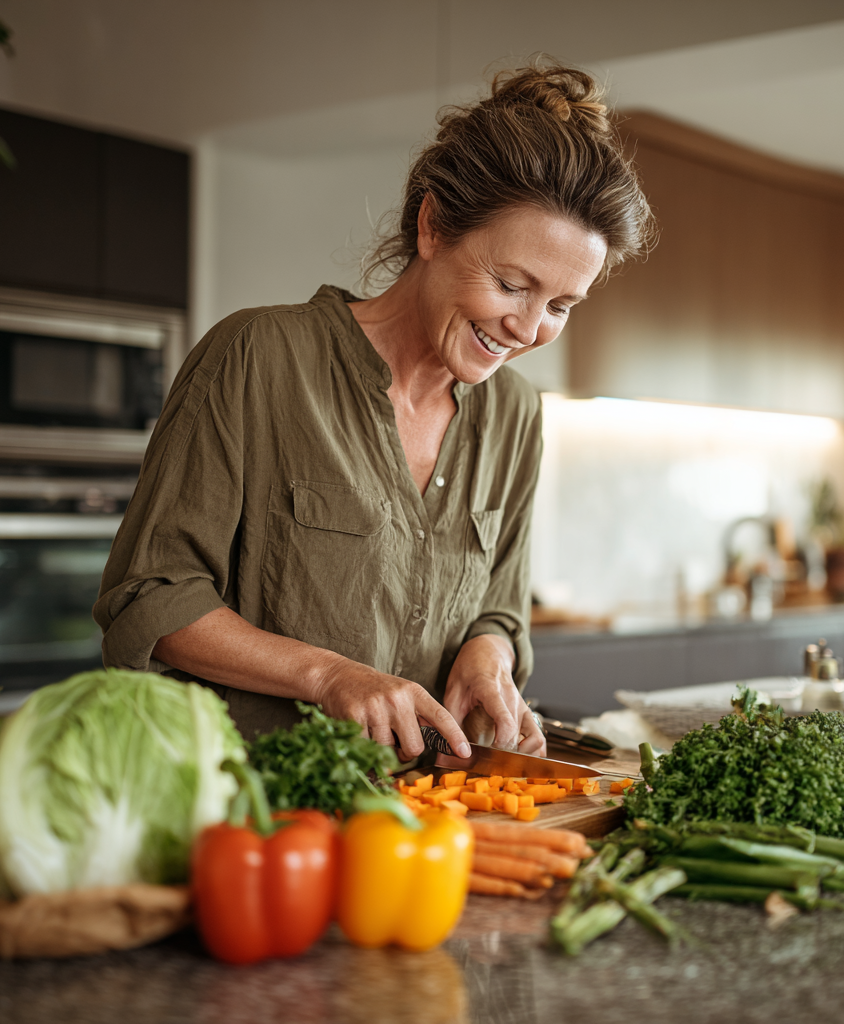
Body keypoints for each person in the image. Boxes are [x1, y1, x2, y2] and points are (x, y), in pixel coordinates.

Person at [94, 61, 652, 758]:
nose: (528, 328)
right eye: (512, 284)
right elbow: (149, 595)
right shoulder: (259, 359)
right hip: (255, 816)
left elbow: (500, 607)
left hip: (424, 825)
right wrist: (327, 674)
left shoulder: (514, 414)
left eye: (561, 306)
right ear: (432, 226)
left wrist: (489, 654)